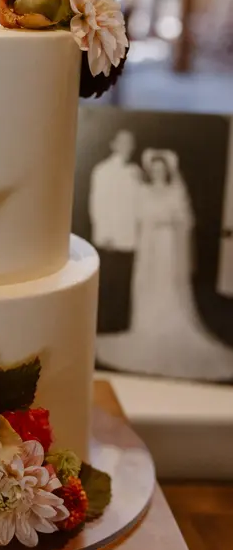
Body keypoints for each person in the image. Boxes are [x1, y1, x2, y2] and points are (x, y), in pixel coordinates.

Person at [97, 149, 233, 381]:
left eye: (161, 169)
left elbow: (185, 220)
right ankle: (145, 325)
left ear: (167, 171)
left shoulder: (175, 190)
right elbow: (137, 215)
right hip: (147, 245)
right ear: (150, 171)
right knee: (147, 284)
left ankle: (170, 324)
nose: (157, 172)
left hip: (167, 246)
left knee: (166, 284)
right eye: (154, 169)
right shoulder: (143, 191)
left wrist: (168, 221)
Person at [89, 130, 142, 332]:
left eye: (130, 143)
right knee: (108, 282)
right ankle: (103, 325)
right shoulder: (102, 170)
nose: (127, 146)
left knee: (124, 282)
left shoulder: (135, 171)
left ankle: (121, 324)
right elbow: (97, 205)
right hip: (110, 237)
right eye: (122, 142)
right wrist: (105, 235)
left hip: (130, 237)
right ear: (113, 144)